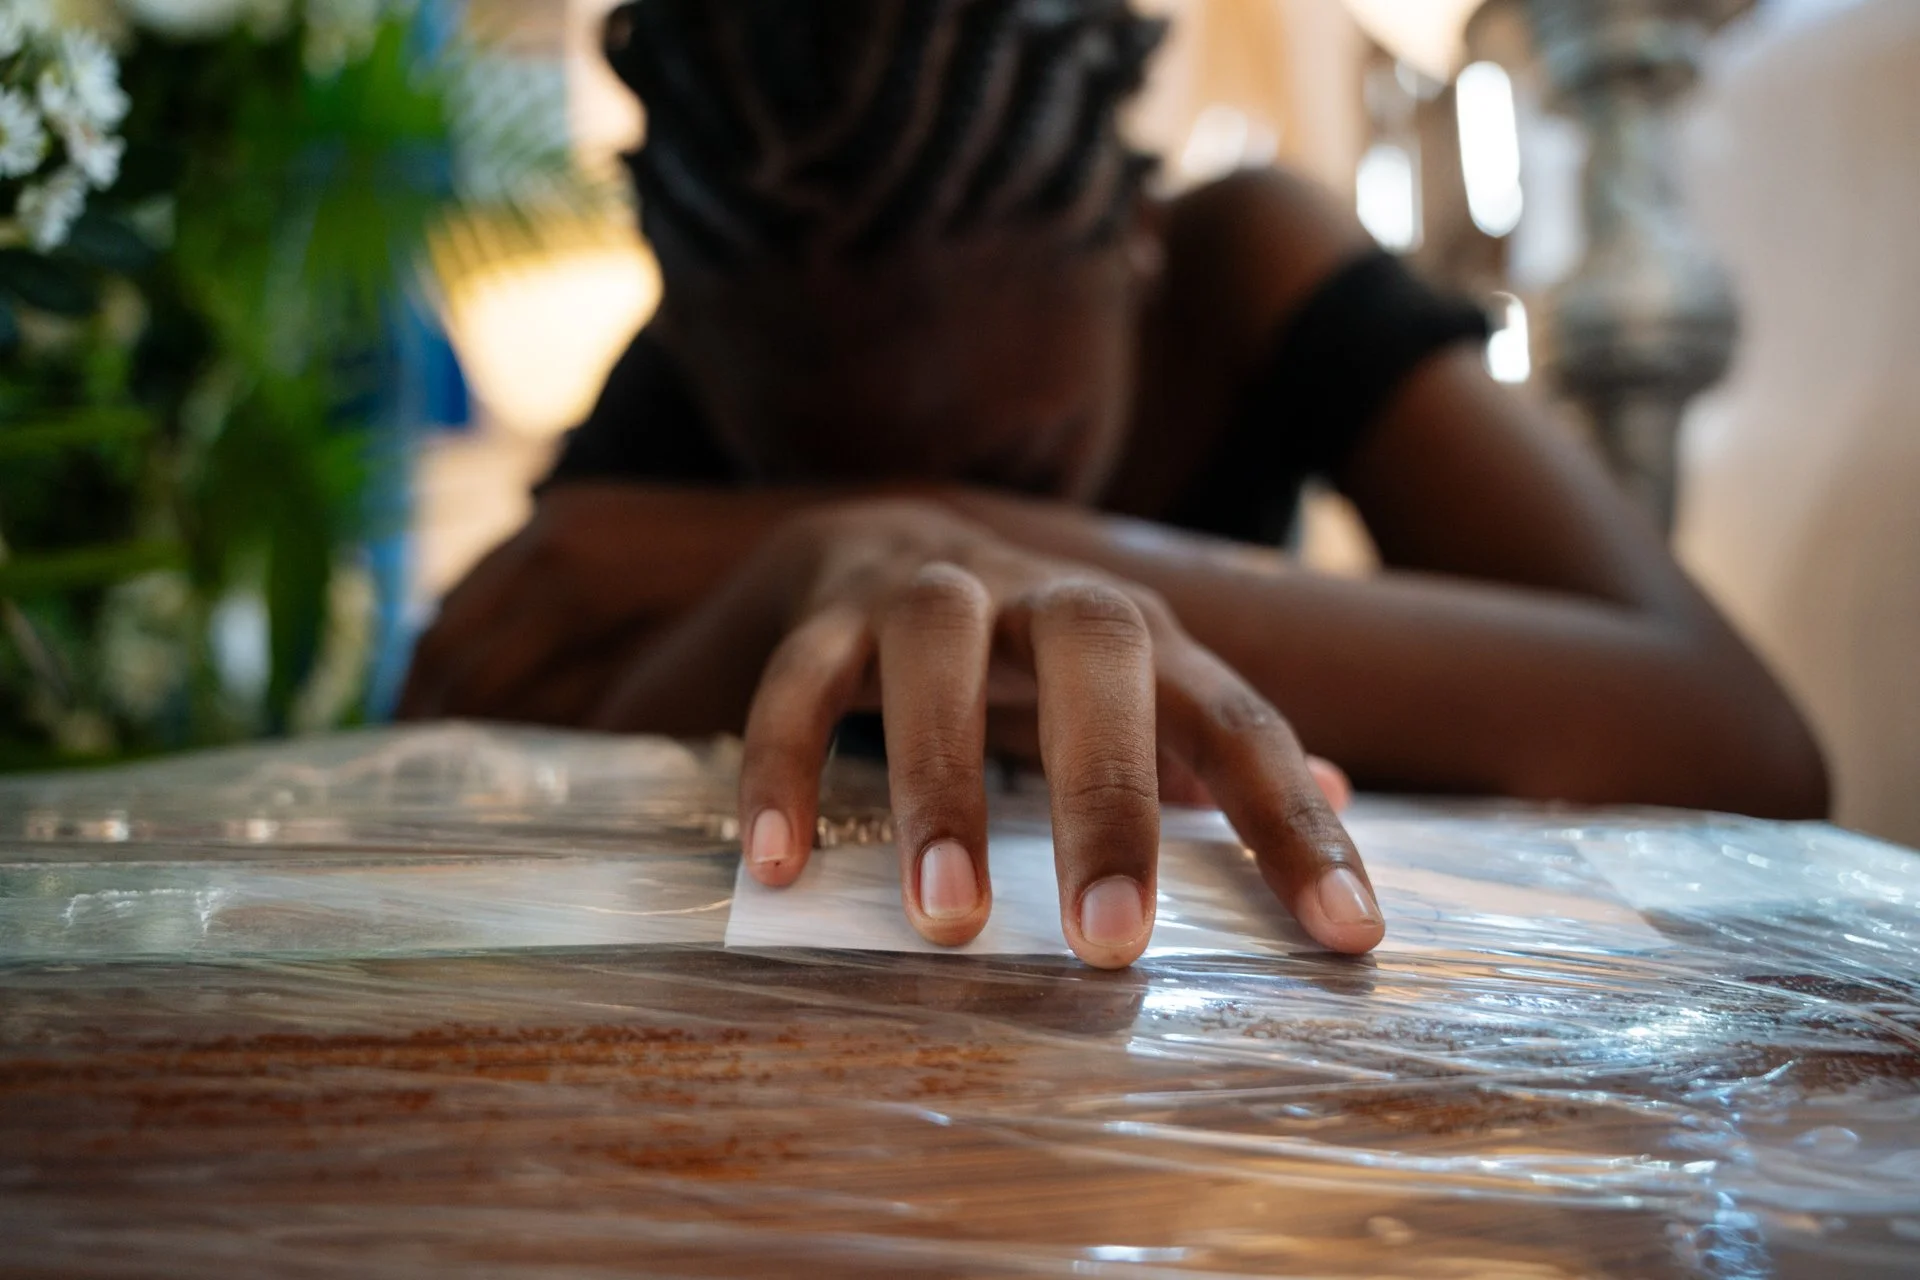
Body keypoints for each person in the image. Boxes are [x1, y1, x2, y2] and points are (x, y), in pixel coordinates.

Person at [401, 0, 1827, 969]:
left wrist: (897, 533)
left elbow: (1739, 741)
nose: (935, 542)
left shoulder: (1246, 264)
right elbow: (435, 791)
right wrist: (788, 574)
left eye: (1013, 464)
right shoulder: (703, 354)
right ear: (698, 341)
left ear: (1136, 234)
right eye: (813, 472)